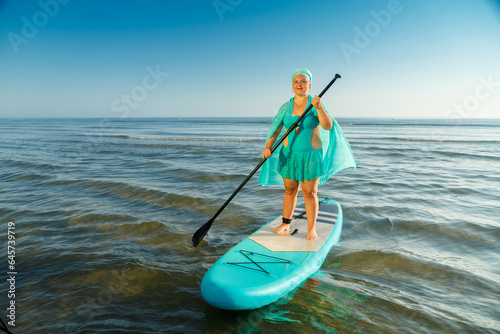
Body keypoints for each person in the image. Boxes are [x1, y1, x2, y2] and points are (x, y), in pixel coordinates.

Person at [259, 68, 356, 240]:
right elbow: (275, 130)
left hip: (311, 156)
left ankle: (311, 229)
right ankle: (285, 224)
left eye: (303, 81)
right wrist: (268, 147)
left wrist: (319, 108)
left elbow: (328, 126)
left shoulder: (316, 104)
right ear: (292, 86)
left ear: (309, 85)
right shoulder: (285, 106)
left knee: (309, 193)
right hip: (288, 156)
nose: (299, 84)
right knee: (290, 190)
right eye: (296, 81)